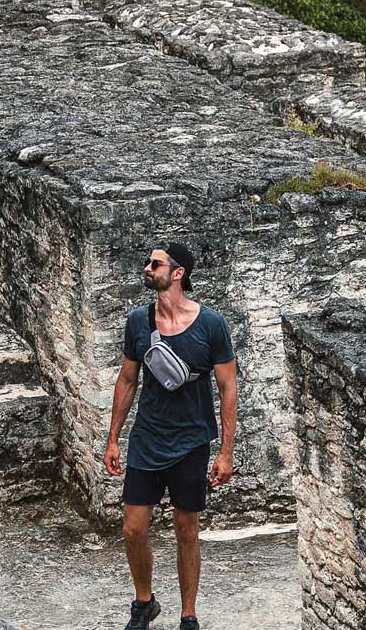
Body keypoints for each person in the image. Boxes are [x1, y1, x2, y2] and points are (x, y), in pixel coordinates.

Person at [103, 240, 238, 630]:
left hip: (191, 441)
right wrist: (113, 437)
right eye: (148, 262)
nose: (147, 267)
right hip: (147, 438)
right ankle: (144, 602)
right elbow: (127, 379)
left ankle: (188, 613)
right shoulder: (138, 322)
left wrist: (225, 451)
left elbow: (228, 387)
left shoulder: (211, 325)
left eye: (156, 263)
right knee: (133, 527)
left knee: (186, 528)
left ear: (178, 273)